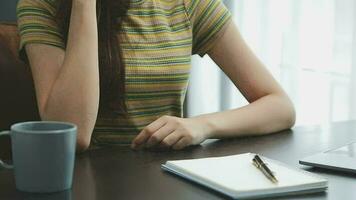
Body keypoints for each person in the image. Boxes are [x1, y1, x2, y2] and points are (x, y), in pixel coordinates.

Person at [16, 0, 296, 152]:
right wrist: (85, 5)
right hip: (82, 184)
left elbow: (280, 107)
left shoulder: (187, 5)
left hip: (163, 179)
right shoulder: (41, 5)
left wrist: (202, 126)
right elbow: (72, 134)